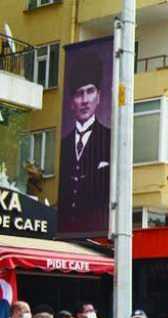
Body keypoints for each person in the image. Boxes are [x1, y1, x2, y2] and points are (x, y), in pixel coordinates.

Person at [58, 51, 112, 235]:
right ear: (72, 102)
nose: (85, 100)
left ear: (99, 96)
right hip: (64, 232)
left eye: (90, 91)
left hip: (97, 231)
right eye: (79, 94)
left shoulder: (109, 139)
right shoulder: (64, 145)